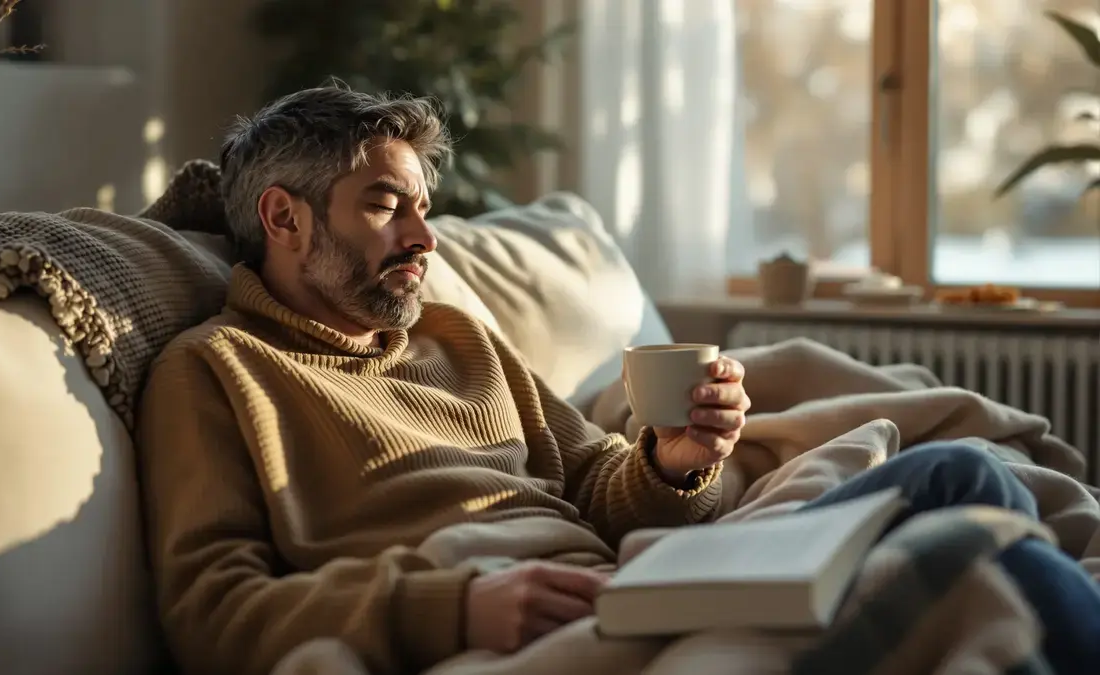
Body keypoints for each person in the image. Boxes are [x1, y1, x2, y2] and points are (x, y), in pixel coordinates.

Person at [137, 86, 1100, 675]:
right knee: (979, 538)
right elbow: (213, 612)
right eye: (387, 205)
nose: (424, 238)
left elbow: (598, 479)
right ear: (284, 217)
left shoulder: (456, 336)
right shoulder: (215, 371)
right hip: (528, 625)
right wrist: (451, 607)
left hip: (637, 578)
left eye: (424, 209)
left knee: (962, 472)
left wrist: (674, 463)